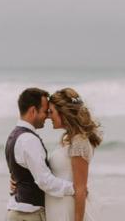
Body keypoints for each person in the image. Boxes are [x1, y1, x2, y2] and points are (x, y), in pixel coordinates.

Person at [5, 88, 78, 221]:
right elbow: (44, 181)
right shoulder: (29, 140)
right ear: (33, 111)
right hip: (29, 215)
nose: (48, 116)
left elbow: (21, 174)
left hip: (19, 212)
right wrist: (75, 188)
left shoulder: (14, 136)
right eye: (45, 111)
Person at [44, 88, 102, 221]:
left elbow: (80, 189)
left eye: (51, 112)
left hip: (67, 210)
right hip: (58, 208)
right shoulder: (69, 140)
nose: (48, 116)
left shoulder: (79, 142)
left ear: (63, 113)